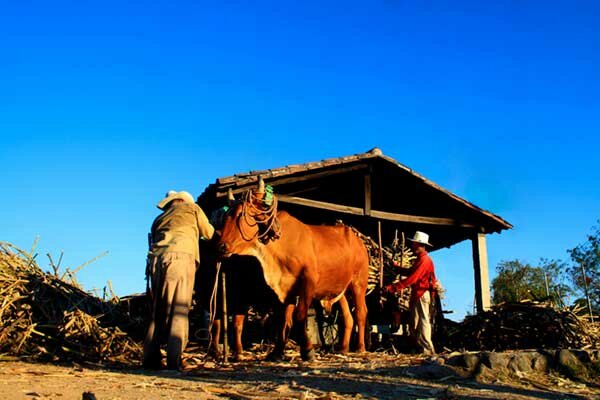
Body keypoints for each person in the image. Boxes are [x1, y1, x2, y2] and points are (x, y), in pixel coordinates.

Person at [143, 190, 215, 370]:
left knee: (158, 309)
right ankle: (175, 359)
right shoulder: (192, 208)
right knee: (179, 307)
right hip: (180, 258)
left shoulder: (159, 219)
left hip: (156, 260)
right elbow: (209, 233)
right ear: (183, 200)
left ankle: (150, 358)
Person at [384, 231, 437, 355]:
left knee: (423, 321)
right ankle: (418, 348)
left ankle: (427, 349)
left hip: (422, 294)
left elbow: (412, 278)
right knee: (414, 321)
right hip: (416, 294)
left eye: (414, 244)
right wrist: (396, 267)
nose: (413, 246)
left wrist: (393, 287)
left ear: (420, 245)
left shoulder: (425, 261)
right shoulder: (420, 260)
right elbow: (409, 272)